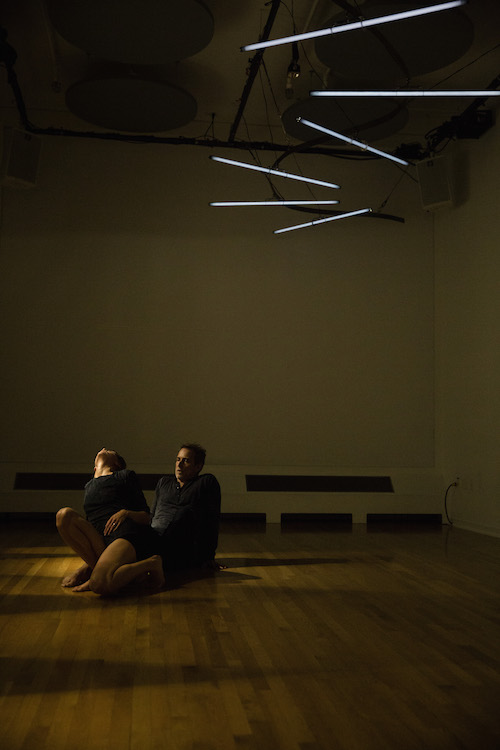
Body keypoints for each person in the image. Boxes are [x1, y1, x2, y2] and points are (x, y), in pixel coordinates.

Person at [56, 448, 164, 595]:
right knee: (64, 515)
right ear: (94, 468)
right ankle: (99, 571)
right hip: (101, 538)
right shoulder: (89, 485)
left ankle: (151, 563)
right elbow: (91, 521)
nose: (103, 449)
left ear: (116, 464)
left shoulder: (124, 476)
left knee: (99, 585)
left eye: (109, 451)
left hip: (124, 534)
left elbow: (146, 517)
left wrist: (126, 513)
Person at [151, 443, 222, 572]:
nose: (179, 464)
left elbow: (212, 520)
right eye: (178, 459)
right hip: (154, 538)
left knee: (184, 513)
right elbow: (152, 514)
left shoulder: (205, 482)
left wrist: (208, 556)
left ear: (198, 466)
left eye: (186, 461)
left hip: (181, 544)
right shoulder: (164, 482)